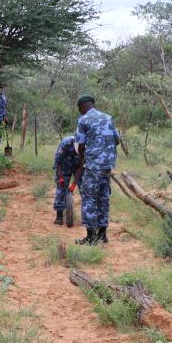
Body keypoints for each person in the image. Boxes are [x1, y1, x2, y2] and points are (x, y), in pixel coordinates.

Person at [74, 94, 120, 245]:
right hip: (107, 165)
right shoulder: (108, 118)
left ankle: (91, 237)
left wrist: (82, 160)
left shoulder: (83, 120)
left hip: (93, 166)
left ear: (82, 107)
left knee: (89, 198)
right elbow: (117, 140)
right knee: (103, 197)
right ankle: (102, 234)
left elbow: (80, 145)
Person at [53, 135, 81, 225]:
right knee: (61, 188)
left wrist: (74, 184)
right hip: (64, 165)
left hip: (77, 166)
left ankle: (87, 219)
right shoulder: (66, 143)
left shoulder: (86, 146)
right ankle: (59, 216)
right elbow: (58, 161)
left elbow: (81, 167)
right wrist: (60, 177)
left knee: (85, 189)